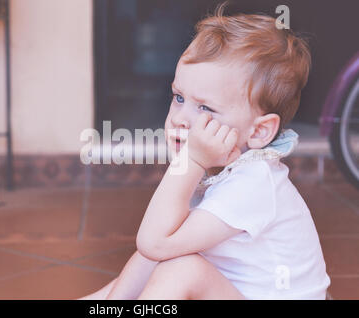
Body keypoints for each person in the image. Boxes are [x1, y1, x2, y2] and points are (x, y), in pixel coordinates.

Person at [80, 3, 330, 300]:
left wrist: (192, 160)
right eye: (178, 97)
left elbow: (154, 242)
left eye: (205, 107)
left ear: (259, 131)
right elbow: (151, 252)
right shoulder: (217, 168)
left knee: (182, 268)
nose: (180, 118)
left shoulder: (255, 182)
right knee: (163, 255)